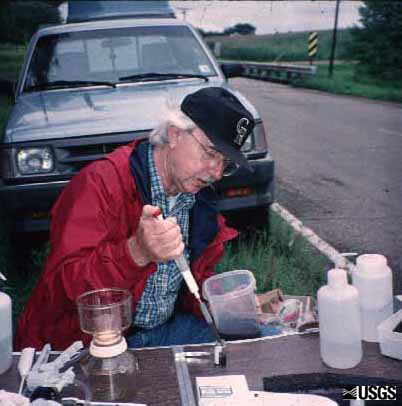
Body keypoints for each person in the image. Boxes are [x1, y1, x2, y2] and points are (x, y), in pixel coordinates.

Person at [15, 87, 255, 350]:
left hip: (166, 329)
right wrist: (135, 252)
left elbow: (191, 284)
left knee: (257, 341)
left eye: (226, 162)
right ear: (175, 134)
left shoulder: (200, 202)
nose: (217, 172)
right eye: (210, 153)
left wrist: (226, 304)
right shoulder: (100, 183)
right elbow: (60, 292)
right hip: (91, 339)